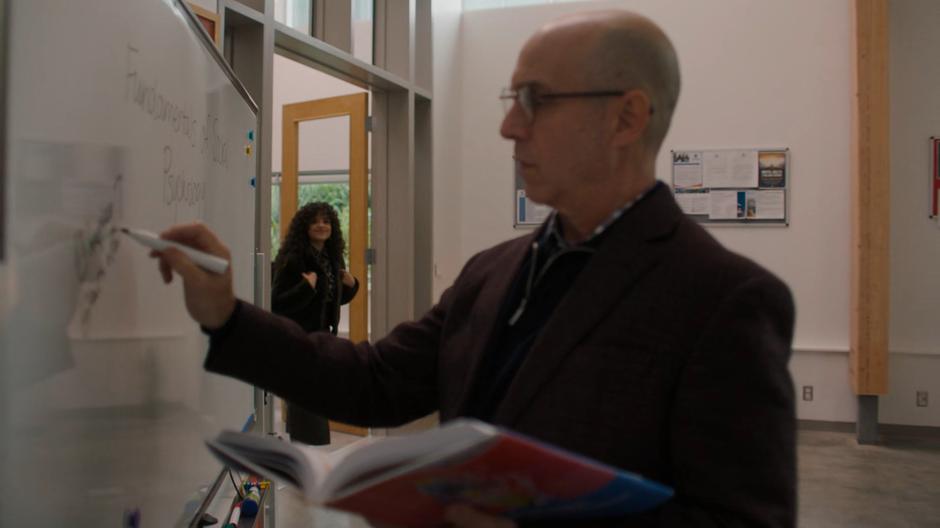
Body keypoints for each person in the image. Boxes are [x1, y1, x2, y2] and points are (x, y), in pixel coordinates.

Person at [153, 10, 796, 527]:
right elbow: (376, 381)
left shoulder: (723, 299)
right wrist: (228, 316)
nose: (509, 126)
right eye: (511, 98)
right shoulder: (495, 272)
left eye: (534, 100)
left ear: (626, 117)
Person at [270, 201, 359, 445]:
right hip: (297, 338)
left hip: (322, 338)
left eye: (326, 221)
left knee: (311, 402)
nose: (321, 225)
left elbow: (330, 301)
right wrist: (305, 288)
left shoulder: (332, 257)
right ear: (305, 227)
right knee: (308, 402)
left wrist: (352, 286)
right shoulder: (293, 258)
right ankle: (306, 461)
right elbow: (276, 302)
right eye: (315, 221)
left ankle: (303, 459)